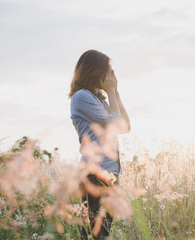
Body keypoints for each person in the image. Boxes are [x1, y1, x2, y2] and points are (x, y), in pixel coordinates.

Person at [69, 49, 130, 239]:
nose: (111, 76)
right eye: (108, 70)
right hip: (94, 174)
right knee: (93, 235)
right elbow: (115, 124)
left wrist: (116, 92)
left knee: (101, 234)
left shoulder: (99, 100)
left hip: (109, 174)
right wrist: (111, 91)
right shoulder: (82, 97)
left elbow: (125, 126)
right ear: (95, 71)